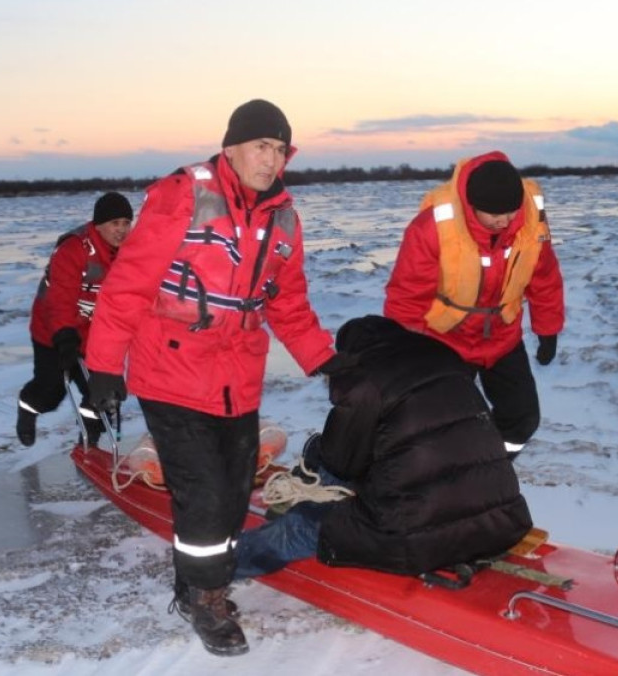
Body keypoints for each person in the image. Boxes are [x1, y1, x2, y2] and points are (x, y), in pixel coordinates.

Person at [83, 99, 342, 657]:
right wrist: (103, 365)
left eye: (279, 150)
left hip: (236, 377)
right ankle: (204, 598)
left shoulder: (284, 218)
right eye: (260, 147)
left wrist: (325, 360)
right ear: (231, 148)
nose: (270, 160)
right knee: (203, 494)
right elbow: (128, 285)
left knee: (233, 492)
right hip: (170, 370)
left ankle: (201, 574)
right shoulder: (185, 195)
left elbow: (288, 302)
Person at [234, 314, 534, 579]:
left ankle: (223, 567)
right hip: (502, 520)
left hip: (415, 535)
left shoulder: (364, 383)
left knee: (301, 526)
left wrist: (315, 453)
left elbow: (339, 463)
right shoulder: (448, 363)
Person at [384, 151, 565, 458]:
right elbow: (407, 293)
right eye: (494, 214)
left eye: (511, 212)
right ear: (472, 205)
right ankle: (440, 470)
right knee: (439, 422)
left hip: (503, 338)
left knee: (523, 418)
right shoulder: (431, 227)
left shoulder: (531, 226)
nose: (504, 221)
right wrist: (404, 349)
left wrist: (548, 330)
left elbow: (544, 278)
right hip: (446, 339)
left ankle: (494, 464)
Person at [16, 191, 133, 448]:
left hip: (94, 335)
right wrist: (65, 336)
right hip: (54, 330)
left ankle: (89, 442)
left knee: (102, 393)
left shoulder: (129, 252)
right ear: (98, 224)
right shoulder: (74, 249)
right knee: (51, 392)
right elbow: (59, 299)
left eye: (126, 223)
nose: (122, 230)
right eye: (115, 223)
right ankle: (27, 406)